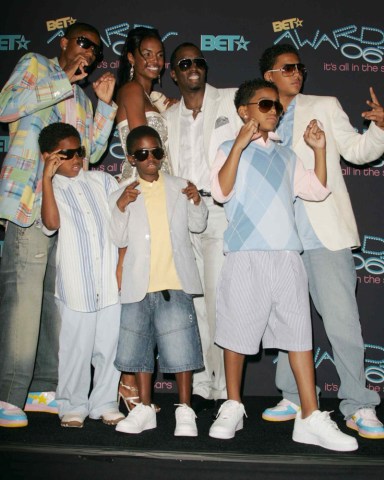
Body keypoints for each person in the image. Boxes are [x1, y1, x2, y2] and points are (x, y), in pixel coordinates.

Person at [208, 78, 358, 452]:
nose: (274, 111)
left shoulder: (289, 156)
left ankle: (309, 417)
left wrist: (319, 150)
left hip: (288, 258)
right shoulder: (228, 148)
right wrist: (239, 146)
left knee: (298, 339)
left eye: (276, 106)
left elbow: (318, 190)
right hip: (245, 256)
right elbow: (221, 192)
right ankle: (233, 405)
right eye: (264, 105)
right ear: (244, 112)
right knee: (236, 335)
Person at [258, 44, 384, 440]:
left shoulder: (324, 104)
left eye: (300, 67)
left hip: (323, 235)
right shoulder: (256, 114)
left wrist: (380, 127)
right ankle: (294, 396)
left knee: (343, 322)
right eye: (288, 68)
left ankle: (359, 404)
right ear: (269, 76)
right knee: (285, 324)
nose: (297, 73)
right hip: (278, 238)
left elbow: (359, 151)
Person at [0, 22, 117, 428]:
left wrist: (103, 106)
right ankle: (9, 396)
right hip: (31, 204)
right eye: (84, 43)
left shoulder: (81, 101)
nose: (90, 53)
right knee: (24, 302)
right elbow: (7, 106)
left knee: (55, 305)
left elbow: (93, 153)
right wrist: (60, 82)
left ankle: (42, 390)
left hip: (67, 213)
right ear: (64, 43)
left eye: (97, 51)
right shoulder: (36, 65)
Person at [109, 125, 206, 436]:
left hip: (175, 282)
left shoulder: (180, 186)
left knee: (182, 350)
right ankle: (144, 409)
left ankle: (185, 410)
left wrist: (196, 201)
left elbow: (199, 225)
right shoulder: (121, 191)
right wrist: (121, 206)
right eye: (142, 153)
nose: (150, 158)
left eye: (156, 152)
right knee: (138, 351)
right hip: (138, 285)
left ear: (163, 154)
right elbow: (116, 236)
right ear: (131, 158)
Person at [164, 42, 242, 412]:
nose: (193, 67)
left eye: (198, 61)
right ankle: (198, 385)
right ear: (173, 72)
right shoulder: (168, 114)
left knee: (219, 300)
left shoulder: (230, 101)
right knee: (192, 303)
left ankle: (226, 389)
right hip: (183, 211)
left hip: (219, 209)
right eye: (184, 63)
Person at [39, 122, 124, 428]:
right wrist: (47, 180)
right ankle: (72, 405)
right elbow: (50, 224)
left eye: (80, 152)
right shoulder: (48, 191)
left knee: (109, 347)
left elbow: (122, 217)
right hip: (76, 284)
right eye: (67, 154)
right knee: (75, 349)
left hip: (108, 281)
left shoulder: (101, 181)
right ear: (48, 157)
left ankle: (105, 402)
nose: (77, 159)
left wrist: (121, 265)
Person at [114, 26, 175, 411]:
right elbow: (141, 144)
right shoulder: (132, 91)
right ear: (132, 57)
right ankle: (125, 379)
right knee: (132, 290)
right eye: (147, 53)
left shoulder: (149, 95)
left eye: (159, 54)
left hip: (155, 190)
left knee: (147, 289)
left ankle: (132, 378)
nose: (155, 60)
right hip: (140, 189)